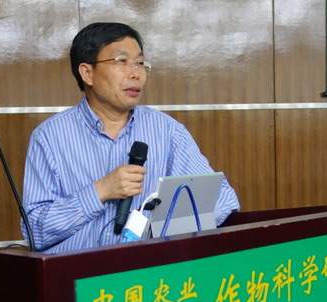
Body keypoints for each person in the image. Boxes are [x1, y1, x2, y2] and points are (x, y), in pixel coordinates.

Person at [22, 22, 239, 253]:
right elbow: (35, 231)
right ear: (87, 73)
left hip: (148, 269)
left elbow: (223, 200)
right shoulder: (49, 137)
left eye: (140, 63)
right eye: (121, 61)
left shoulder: (166, 131)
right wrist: (99, 192)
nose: (136, 73)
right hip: (73, 271)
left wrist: (162, 234)